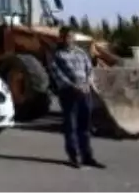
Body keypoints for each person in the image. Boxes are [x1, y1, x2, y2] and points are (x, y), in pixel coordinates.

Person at [49, 26, 105, 169]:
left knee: (85, 126)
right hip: (69, 93)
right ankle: (74, 156)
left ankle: (87, 155)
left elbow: (89, 69)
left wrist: (88, 83)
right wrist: (72, 86)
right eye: (66, 37)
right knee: (71, 125)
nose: (69, 40)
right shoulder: (57, 55)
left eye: (71, 37)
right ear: (61, 38)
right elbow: (57, 74)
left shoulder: (81, 53)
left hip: (85, 92)